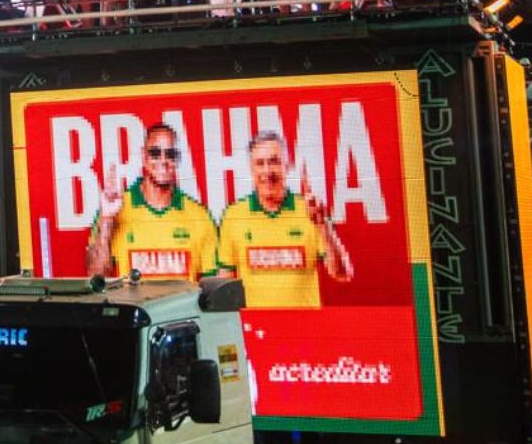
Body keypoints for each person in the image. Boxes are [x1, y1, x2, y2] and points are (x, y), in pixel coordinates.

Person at [218, 131, 353, 308]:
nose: (267, 171)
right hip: (256, 331)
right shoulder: (233, 215)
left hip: (305, 329)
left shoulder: (309, 210)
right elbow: (224, 285)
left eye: (274, 161)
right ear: (252, 169)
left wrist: (323, 226)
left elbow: (342, 273)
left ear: (287, 165)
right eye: (260, 163)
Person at [86, 122, 217, 281]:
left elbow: (212, 290)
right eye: (155, 153)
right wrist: (107, 218)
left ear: (177, 160)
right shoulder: (115, 210)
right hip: (135, 306)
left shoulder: (200, 216)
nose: (163, 161)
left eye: (170, 154)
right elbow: (96, 277)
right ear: (144, 156)